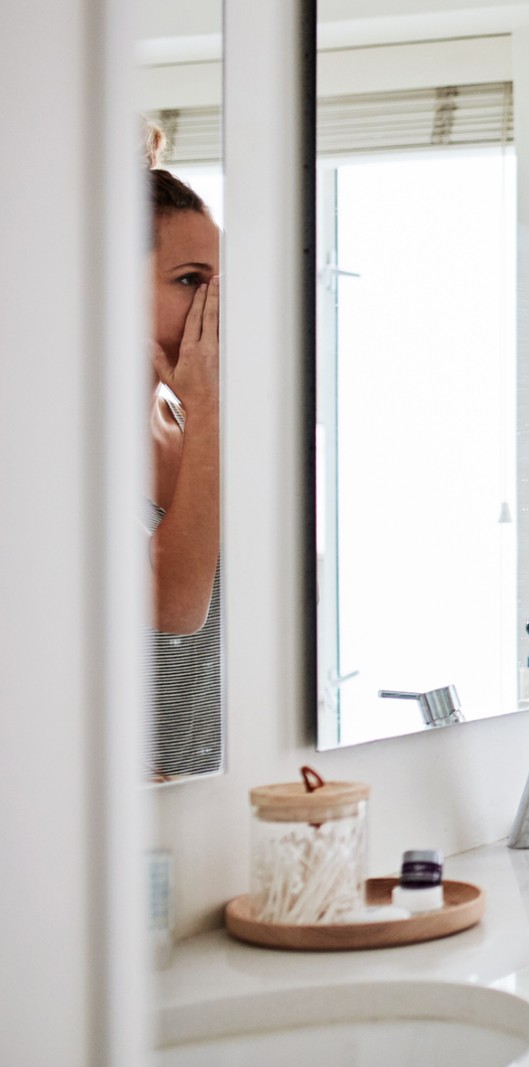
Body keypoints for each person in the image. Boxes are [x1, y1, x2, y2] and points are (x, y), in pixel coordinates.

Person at [145, 126, 224, 780]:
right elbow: (175, 610)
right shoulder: (58, 444)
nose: (216, 304)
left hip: (196, 802)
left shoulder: (184, 424)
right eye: (191, 279)